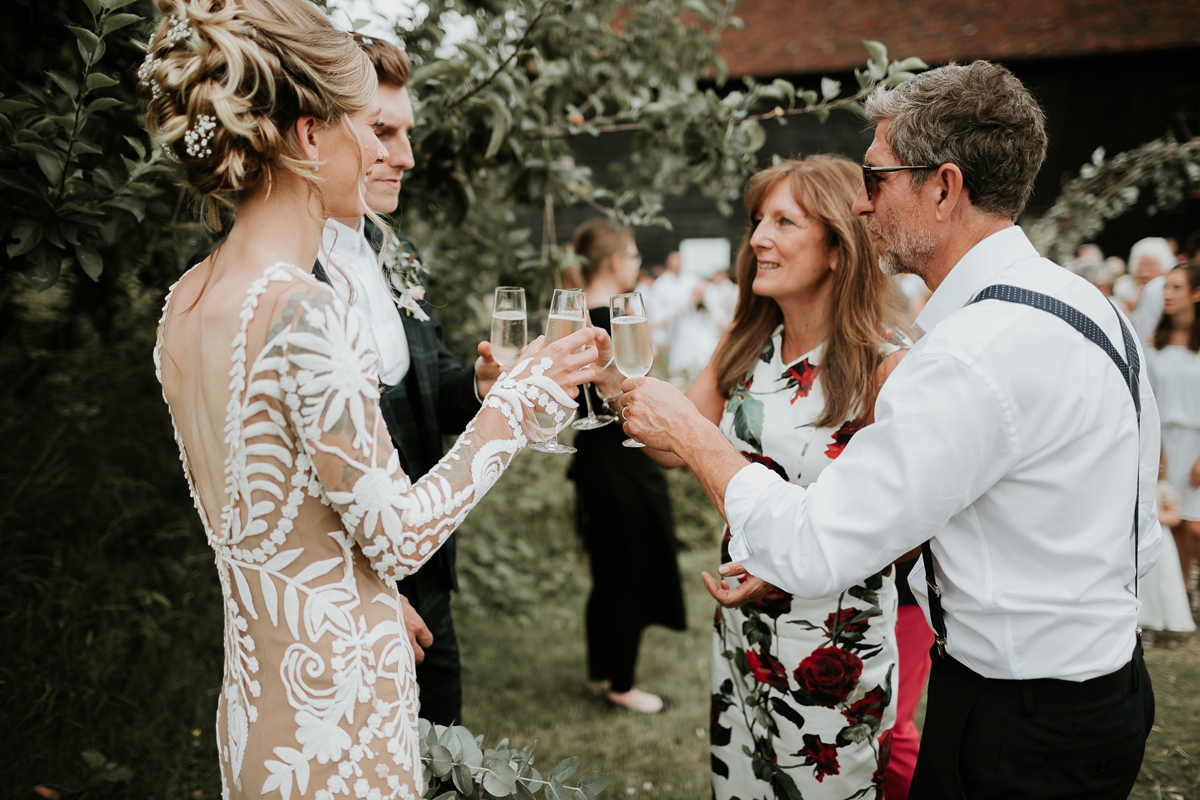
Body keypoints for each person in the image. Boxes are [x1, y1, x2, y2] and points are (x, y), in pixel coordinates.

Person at [616, 61, 1161, 799]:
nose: (864, 206)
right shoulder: (1085, 304)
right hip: (1105, 690)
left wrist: (693, 431)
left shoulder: (967, 356)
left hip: (1018, 721)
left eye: (875, 180)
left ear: (943, 187)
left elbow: (815, 547)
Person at [140, 1, 602, 796]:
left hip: (257, 708)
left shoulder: (185, 300)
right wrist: (515, 406)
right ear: (312, 135)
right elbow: (397, 540)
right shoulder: (304, 309)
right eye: (365, 125)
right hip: (344, 714)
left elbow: (285, 518)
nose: (386, 151)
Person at [641, 156, 909, 799]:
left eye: (784, 221)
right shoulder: (745, 342)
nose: (758, 237)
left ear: (839, 248)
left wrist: (788, 562)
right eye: (758, 220)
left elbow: (909, 522)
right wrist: (617, 387)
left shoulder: (886, 367)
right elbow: (674, 448)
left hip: (832, 644)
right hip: (742, 630)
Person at [565, 218, 687, 713]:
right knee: (629, 571)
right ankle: (622, 682)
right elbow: (637, 395)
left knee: (606, 570)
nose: (637, 265)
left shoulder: (574, 319)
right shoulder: (615, 323)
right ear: (616, 261)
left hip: (590, 461)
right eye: (635, 257)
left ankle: (600, 673)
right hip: (624, 464)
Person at [1147, 263, 1200, 607]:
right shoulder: (1154, 342)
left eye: (1177, 288)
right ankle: (1182, 595)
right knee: (1174, 522)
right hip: (1163, 441)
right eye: (1166, 287)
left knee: (1195, 527)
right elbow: (1147, 395)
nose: (1167, 294)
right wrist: (1156, 448)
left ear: (1196, 294)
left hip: (1196, 440)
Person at [1137, 475, 1196, 639]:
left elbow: (1175, 516)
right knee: (1144, 585)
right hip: (1138, 539)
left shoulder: (1162, 488)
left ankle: (1170, 625)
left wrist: (1153, 518)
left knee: (1165, 581)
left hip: (1161, 540)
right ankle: (1145, 624)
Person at [1129, 236, 1176, 342]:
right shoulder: (1133, 291)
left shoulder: (1164, 292)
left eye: (1151, 267)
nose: (1145, 273)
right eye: (1141, 267)